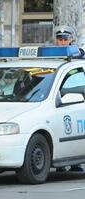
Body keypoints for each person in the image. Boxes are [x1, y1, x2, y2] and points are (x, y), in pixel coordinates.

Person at [54, 25, 84, 172]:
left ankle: (75, 163)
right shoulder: (51, 55)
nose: (62, 42)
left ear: (71, 39)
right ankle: (61, 163)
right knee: (61, 130)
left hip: (78, 95)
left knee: (74, 130)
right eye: (60, 39)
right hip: (59, 96)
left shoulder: (79, 54)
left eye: (65, 39)